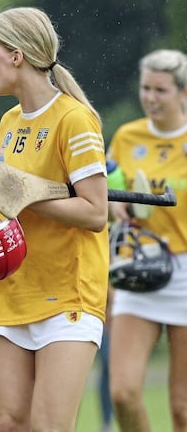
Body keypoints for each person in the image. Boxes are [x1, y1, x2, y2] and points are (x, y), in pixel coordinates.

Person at [0, 6, 109, 431]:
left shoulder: (75, 119)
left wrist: (24, 194)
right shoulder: (8, 122)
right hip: (11, 293)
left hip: (67, 296)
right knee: (11, 425)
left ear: (16, 56)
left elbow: (95, 212)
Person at [106, 49, 187, 432]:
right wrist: (115, 207)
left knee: (182, 407)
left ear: (182, 94)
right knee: (122, 392)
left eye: (162, 90)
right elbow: (105, 189)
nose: (151, 97)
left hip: (184, 271)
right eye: (146, 88)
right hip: (138, 265)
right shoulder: (127, 136)